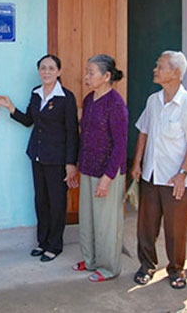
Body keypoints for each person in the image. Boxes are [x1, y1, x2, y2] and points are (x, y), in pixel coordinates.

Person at [0, 54, 79, 262]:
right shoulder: (36, 93)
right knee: (41, 201)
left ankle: (54, 245)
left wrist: (70, 164)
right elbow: (29, 121)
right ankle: (42, 242)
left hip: (57, 159)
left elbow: (72, 132)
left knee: (57, 203)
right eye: (43, 68)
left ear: (58, 72)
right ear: (38, 71)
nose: (46, 72)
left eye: (51, 68)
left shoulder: (66, 97)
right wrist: (10, 107)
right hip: (37, 156)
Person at [129, 50, 187, 290]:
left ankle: (176, 269)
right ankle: (147, 265)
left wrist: (182, 174)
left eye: (160, 66)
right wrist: (137, 163)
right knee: (146, 226)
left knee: (175, 228)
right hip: (151, 175)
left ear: (176, 73)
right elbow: (144, 131)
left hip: (176, 179)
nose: (155, 70)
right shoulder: (153, 100)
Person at [72, 55, 128, 282]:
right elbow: (84, 135)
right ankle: (91, 259)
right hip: (87, 168)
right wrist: (77, 165)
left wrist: (108, 177)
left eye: (91, 73)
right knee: (88, 219)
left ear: (106, 76)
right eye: (86, 72)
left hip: (107, 172)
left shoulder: (115, 104)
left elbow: (121, 144)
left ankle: (108, 267)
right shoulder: (88, 100)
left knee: (106, 223)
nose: (86, 77)